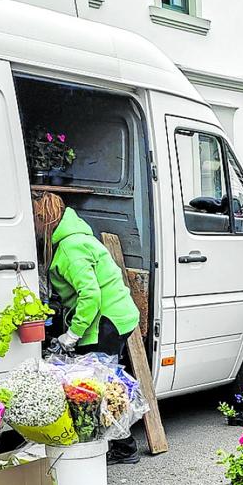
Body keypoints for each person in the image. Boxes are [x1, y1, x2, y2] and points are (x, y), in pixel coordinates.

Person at [38, 195, 143, 465]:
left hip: (106, 320)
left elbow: (91, 296)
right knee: (104, 383)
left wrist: (73, 334)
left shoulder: (70, 248)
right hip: (116, 315)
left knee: (98, 388)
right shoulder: (77, 236)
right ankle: (117, 442)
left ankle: (123, 446)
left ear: (44, 220)